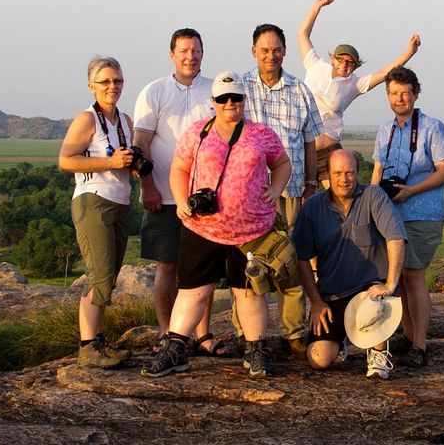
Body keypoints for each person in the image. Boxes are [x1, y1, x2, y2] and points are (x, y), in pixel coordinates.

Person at [142, 71, 291, 378]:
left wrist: (275, 189)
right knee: (194, 290)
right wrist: (182, 200)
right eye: (222, 99)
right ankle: (175, 350)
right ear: (213, 102)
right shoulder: (198, 132)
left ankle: (256, 351)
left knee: (248, 292)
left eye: (235, 97)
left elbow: (282, 163)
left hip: (251, 230)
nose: (229, 103)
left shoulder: (261, 134)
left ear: (244, 100)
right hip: (204, 227)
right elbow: (179, 168)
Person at [132, 28, 226, 357]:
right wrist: (147, 187)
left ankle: (202, 334)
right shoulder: (154, 91)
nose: (190, 56)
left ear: (203, 53)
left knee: (204, 268)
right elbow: (140, 145)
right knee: (168, 266)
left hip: (205, 198)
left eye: (196, 50)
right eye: (184, 50)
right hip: (164, 194)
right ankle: (166, 332)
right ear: (172, 54)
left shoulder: (214, 91)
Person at [240, 23, 322, 358]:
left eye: (276, 49)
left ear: (285, 51)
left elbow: (310, 140)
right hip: (252, 193)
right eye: (264, 50)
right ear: (253, 51)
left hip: (291, 189)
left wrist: (312, 184)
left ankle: (292, 332)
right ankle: (249, 334)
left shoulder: (300, 90)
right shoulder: (240, 88)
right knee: (251, 263)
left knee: (293, 260)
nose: (270, 55)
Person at [56, 56, 141, 369]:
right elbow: (65, 160)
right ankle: (88, 346)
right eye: (105, 82)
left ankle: (98, 340)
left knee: (109, 276)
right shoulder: (87, 119)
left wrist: (131, 166)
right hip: (93, 200)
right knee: (100, 275)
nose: (112, 87)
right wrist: (110, 163)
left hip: (119, 201)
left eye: (117, 81)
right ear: (92, 86)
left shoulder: (125, 121)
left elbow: (123, 161)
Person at [294, 149, 407, 379]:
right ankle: (342, 338)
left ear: (358, 173)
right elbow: (302, 258)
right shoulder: (313, 207)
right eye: (337, 173)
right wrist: (316, 302)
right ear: (327, 174)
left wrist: (390, 284)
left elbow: (395, 237)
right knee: (319, 359)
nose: (344, 179)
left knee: (377, 301)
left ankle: (377, 354)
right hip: (332, 294)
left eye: (349, 173)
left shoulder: (373, 196)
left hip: (369, 290)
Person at [369, 66, 444, 368]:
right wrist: (373, 202)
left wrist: (411, 190)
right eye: (393, 93)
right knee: (399, 279)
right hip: (390, 214)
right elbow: (377, 171)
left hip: (421, 213)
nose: (399, 98)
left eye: (405, 92)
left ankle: (420, 344)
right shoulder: (384, 130)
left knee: (414, 277)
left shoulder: (432, 127)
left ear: (416, 93)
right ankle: (406, 333)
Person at [297, 0, 422, 185]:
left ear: (355, 66)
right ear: (333, 59)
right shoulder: (315, 66)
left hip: (328, 149)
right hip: (302, 146)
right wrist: (318, 6)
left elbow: (384, 73)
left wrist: (409, 52)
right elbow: (303, 34)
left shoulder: (355, 84)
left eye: (350, 62)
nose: (345, 64)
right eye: (341, 59)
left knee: (340, 201)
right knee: (302, 201)